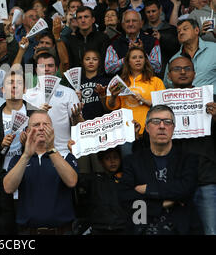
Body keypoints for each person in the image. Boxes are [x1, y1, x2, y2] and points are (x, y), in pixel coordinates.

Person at [118, 105, 202, 235]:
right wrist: (161, 204)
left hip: (180, 229)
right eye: (156, 121)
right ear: (147, 127)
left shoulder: (188, 159)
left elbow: (186, 188)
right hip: (142, 228)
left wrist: (148, 189)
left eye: (167, 122)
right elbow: (126, 197)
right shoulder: (132, 161)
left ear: (173, 128)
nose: (162, 126)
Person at [3, 110, 79, 235]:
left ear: (53, 130)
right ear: (27, 131)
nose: (41, 128)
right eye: (36, 125)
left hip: (62, 231)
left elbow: (72, 181)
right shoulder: (18, 159)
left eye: (46, 125)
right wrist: (26, 155)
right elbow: (8, 188)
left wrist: (51, 149)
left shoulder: (66, 156)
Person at [166, 55, 216, 235]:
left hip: (206, 177)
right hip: (175, 179)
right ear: (169, 75)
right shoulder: (161, 104)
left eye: (187, 68)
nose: (182, 72)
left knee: (211, 230)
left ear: (194, 74)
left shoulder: (211, 100)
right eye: (177, 69)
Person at [106, 46, 165, 156]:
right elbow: (111, 106)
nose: (138, 60)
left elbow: (164, 107)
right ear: (128, 62)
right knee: (129, 167)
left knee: (151, 167)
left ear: (145, 61)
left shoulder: (155, 81)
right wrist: (113, 97)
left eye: (141, 57)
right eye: (134, 57)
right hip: (127, 131)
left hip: (151, 131)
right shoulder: (121, 82)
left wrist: (144, 100)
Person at [23, 51, 82, 155]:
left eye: (50, 66)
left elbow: (80, 128)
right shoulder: (27, 95)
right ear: (36, 70)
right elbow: (23, 128)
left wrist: (76, 116)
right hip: (35, 153)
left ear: (56, 69)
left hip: (63, 152)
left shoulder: (69, 93)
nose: (46, 69)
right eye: (42, 66)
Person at [71, 146, 127, 235]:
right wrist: (73, 154)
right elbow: (74, 179)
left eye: (115, 157)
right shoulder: (94, 179)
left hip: (123, 228)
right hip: (99, 229)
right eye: (107, 158)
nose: (112, 161)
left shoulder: (127, 179)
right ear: (101, 162)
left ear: (120, 159)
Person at [163, 19, 216, 93]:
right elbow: (167, 85)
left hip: (212, 100)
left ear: (196, 30)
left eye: (185, 29)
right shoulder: (174, 59)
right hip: (185, 102)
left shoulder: (214, 49)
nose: (181, 32)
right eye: (178, 31)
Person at [105, 10, 162, 76]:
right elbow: (108, 69)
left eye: (134, 21)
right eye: (127, 21)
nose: (130, 24)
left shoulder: (152, 41)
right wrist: (127, 57)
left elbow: (158, 68)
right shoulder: (115, 43)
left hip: (147, 82)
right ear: (123, 25)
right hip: (124, 83)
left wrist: (142, 53)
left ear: (141, 24)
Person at [60, 6, 110, 70]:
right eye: (80, 18)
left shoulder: (103, 38)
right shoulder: (71, 40)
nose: (83, 20)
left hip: (99, 78)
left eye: (86, 17)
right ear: (77, 21)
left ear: (93, 20)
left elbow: (105, 62)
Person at [142, 0, 180, 77]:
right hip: (147, 72)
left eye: (153, 11)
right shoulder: (141, 31)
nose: (151, 14)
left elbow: (177, 48)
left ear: (160, 10)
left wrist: (161, 38)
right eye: (148, 12)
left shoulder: (171, 29)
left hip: (168, 71)